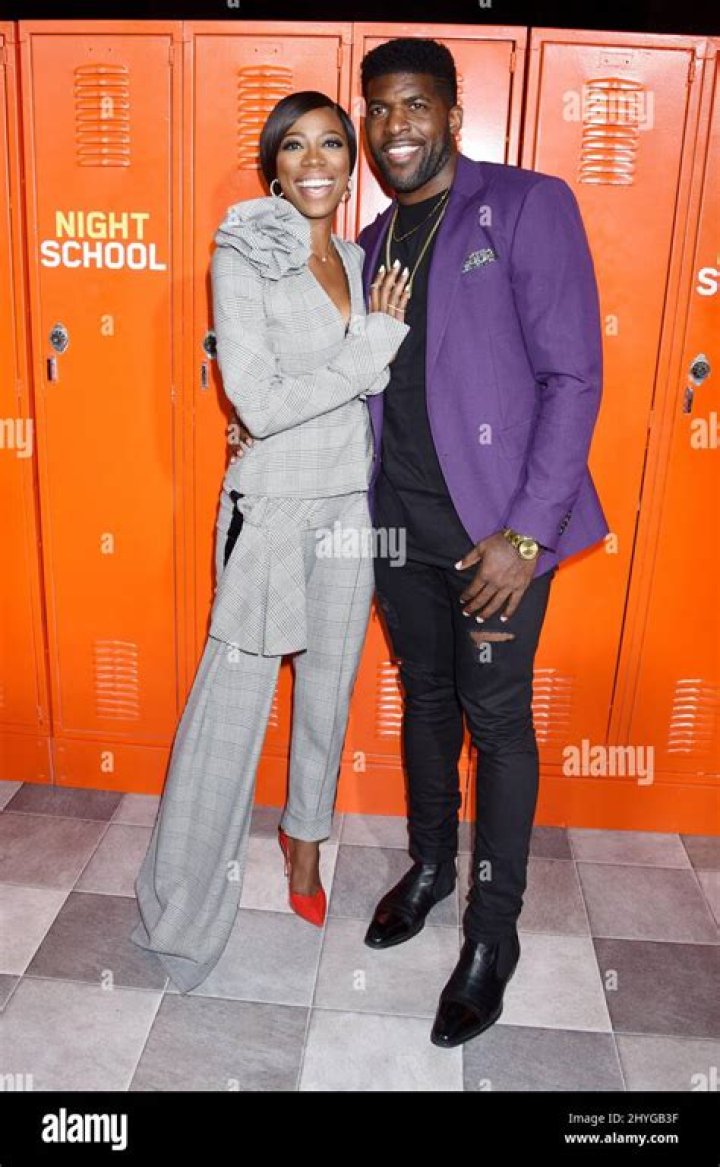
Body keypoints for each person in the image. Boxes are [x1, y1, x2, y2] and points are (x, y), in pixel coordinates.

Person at [357, 37, 609, 1048]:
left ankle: (491, 935)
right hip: (397, 526)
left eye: (414, 104)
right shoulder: (373, 241)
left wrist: (526, 537)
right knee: (423, 698)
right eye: (378, 109)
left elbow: (572, 378)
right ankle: (428, 867)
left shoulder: (525, 204)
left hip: (494, 538)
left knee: (496, 727)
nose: (395, 126)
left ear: (453, 114)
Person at [129, 91, 410, 994]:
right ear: (273, 163)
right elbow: (254, 400)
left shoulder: (361, 256)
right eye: (296, 145)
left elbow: (354, 396)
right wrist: (368, 351)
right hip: (275, 508)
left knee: (328, 694)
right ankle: (181, 902)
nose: (318, 160)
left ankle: (303, 846)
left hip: (347, 507)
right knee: (229, 712)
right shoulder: (245, 246)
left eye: (334, 143)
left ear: (352, 159)